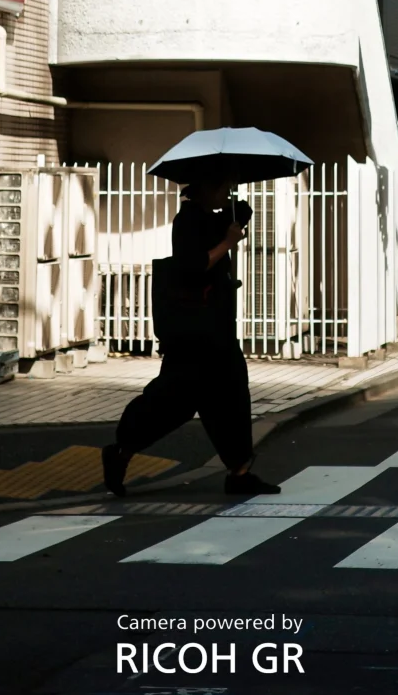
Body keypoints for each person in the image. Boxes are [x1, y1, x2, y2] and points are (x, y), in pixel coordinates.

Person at [101, 175, 281, 498]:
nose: (226, 193)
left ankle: (239, 471)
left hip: (214, 331)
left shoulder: (208, 218)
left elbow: (236, 216)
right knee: (170, 401)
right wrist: (227, 242)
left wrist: (234, 219)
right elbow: (194, 266)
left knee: (232, 393)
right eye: (223, 188)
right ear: (206, 188)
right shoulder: (186, 222)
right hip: (194, 334)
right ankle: (121, 449)